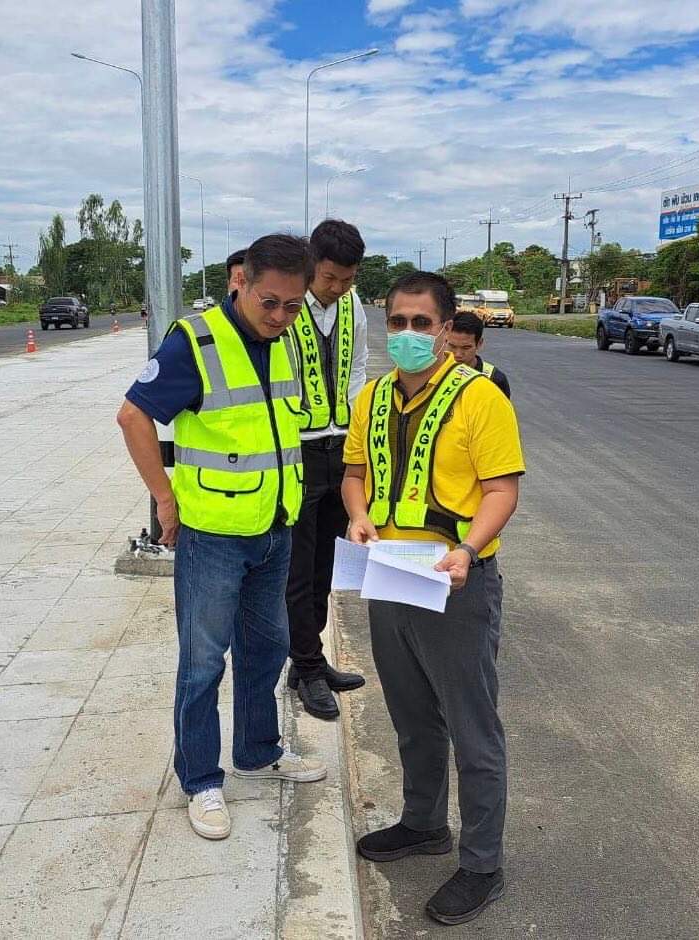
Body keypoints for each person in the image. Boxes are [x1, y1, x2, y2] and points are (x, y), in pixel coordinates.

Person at [117, 234, 327, 843]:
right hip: (212, 535)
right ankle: (201, 779)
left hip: (273, 526)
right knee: (203, 662)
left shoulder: (288, 341)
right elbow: (133, 415)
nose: (281, 316)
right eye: (270, 302)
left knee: (268, 648)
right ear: (241, 282)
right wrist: (164, 498)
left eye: (293, 305)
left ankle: (258, 752)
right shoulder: (196, 341)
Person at [342, 271, 525, 926]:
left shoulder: (480, 398)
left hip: (455, 579)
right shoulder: (372, 397)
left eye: (422, 323)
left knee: (472, 728)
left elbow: (502, 490)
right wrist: (358, 515)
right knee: (412, 714)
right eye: (398, 322)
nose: (409, 334)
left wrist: (469, 549)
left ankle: (482, 864)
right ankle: (423, 823)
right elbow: (355, 473)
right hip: (390, 573)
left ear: (447, 329)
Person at [285, 219, 368, 720]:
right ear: (312, 264)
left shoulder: (353, 306)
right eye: (331, 277)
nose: (338, 287)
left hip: (340, 449)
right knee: (297, 569)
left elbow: (357, 367)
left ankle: (307, 660)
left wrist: (356, 433)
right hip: (298, 450)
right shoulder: (289, 304)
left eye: (348, 279)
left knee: (327, 567)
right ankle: (308, 667)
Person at [447, 311, 511, 398]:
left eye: (466, 348)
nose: (458, 354)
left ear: (479, 343)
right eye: (452, 346)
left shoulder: (495, 379)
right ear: (445, 340)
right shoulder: (434, 372)